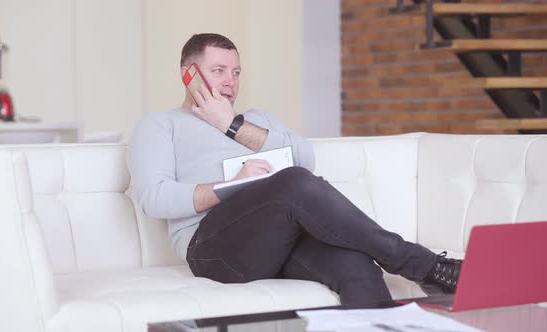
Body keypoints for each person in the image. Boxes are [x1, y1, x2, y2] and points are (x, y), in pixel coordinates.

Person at [128, 33, 461, 308]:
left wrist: (230, 124)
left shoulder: (257, 120)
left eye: (236, 72)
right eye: (218, 71)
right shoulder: (160, 125)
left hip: (278, 241)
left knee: (356, 264)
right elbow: (154, 199)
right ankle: (423, 264)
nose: (230, 81)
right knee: (291, 182)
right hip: (212, 249)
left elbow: (304, 159)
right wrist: (230, 186)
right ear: (189, 74)